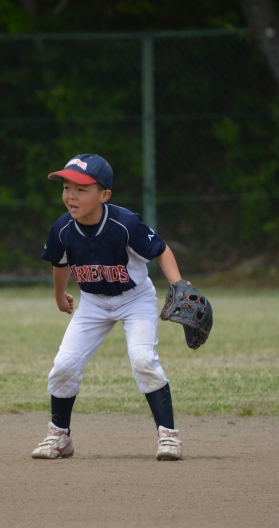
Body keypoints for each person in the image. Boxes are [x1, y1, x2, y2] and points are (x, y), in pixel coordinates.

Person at [32, 154, 183, 461]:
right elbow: (60, 263)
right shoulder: (62, 228)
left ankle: (168, 436)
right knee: (64, 366)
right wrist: (59, 297)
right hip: (93, 303)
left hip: (135, 299)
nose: (71, 196)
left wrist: (178, 284)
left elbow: (160, 248)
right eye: (66, 188)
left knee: (143, 360)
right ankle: (60, 436)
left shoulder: (124, 223)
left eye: (82, 189)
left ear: (104, 195)